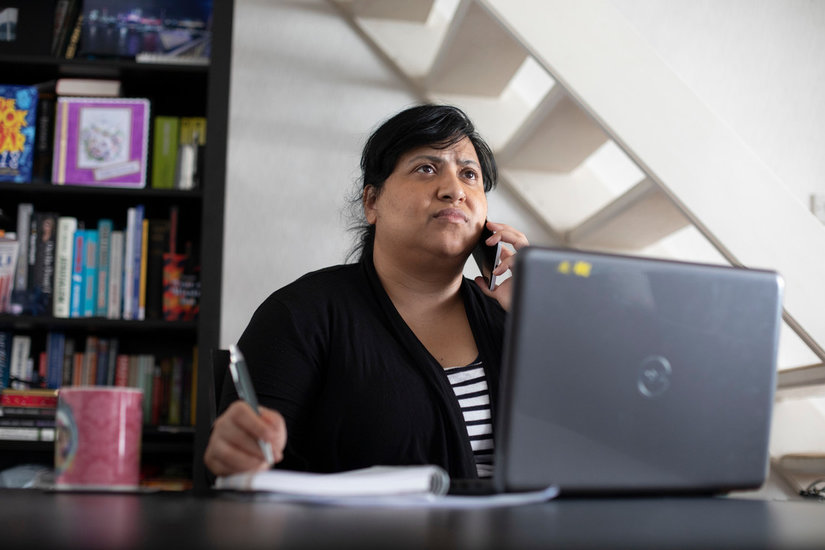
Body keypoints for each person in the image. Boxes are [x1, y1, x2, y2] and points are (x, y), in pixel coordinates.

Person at [204, 104, 529, 480]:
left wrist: (539, 318)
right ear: (372, 202)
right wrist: (239, 453)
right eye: (426, 168)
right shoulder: (301, 313)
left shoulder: (514, 320)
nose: (454, 190)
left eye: (469, 174)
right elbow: (243, 470)